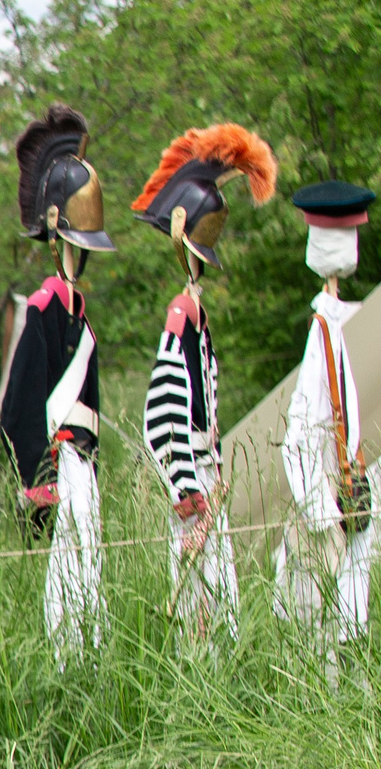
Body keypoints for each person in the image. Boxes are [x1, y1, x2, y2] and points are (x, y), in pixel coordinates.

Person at [131, 125, 276, 641]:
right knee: (203, 615)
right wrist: (187, 488)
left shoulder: (196, 313)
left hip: (205, 477)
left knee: (220, 608)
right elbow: (164, 408)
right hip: (192, 483)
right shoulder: (180, 314)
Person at [1, 103, 116, 659]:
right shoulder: (45, 306)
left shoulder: (80, 312)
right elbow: (19, 403)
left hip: (83, 468)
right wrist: (40, 481)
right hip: (59, 464)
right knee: (64, 597)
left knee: (89, 589)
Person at [278, 180, 375, 645]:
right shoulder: (326, 330)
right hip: (333, 509)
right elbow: (297, 441)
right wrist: (321, 514)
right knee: (329, 638)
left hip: (344, 500)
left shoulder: (337, 325)